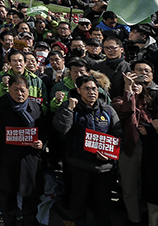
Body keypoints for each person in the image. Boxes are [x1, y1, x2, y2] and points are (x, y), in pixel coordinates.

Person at [53, 74, 122, 226]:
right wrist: (69, 109)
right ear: (78, 90)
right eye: (87, 89)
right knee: (78, 199)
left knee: (102, 202)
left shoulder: (108, 110)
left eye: (94, 89)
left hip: (104, 167)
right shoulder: (71, 108)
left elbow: (118, 135)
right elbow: (62, 129)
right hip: (79, 164)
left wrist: (110, 156)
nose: (92, 92)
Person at [0, 75, 44, 226]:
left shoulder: (35, 106)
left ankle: (28, 220)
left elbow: (44, 128)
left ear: (28, 90)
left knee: (30, 195)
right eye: (15, 90)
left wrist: (41, 142)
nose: (19, 94)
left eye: (23, 90)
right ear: (8, 89)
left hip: (29, 158)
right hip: (7, 157)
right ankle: (9, 221)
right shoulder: (1, 104)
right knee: (7, 194)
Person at [111, 65, 154, 226]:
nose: (135, 85)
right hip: (130, 148)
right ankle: (134, 219)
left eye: (138, 82)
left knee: (148, 185)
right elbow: (127, 110)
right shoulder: (118, 101)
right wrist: (129, 90)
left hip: (151, 149)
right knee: (129, 187)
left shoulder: (149, 102)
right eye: (131, 82)